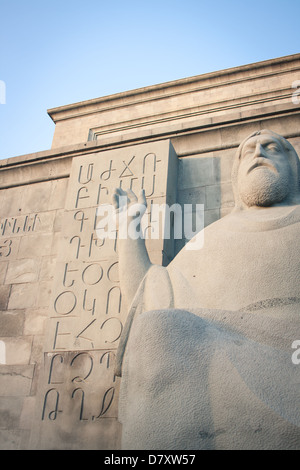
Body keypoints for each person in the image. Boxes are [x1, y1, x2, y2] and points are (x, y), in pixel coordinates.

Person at [112, 130, 300, 450]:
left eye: (272, 149)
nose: (259, 155)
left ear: (294, 170)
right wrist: (129, 228)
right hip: (221, 362)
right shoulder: (211, 238)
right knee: (158, 330)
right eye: (248, 152)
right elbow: (149, 302)